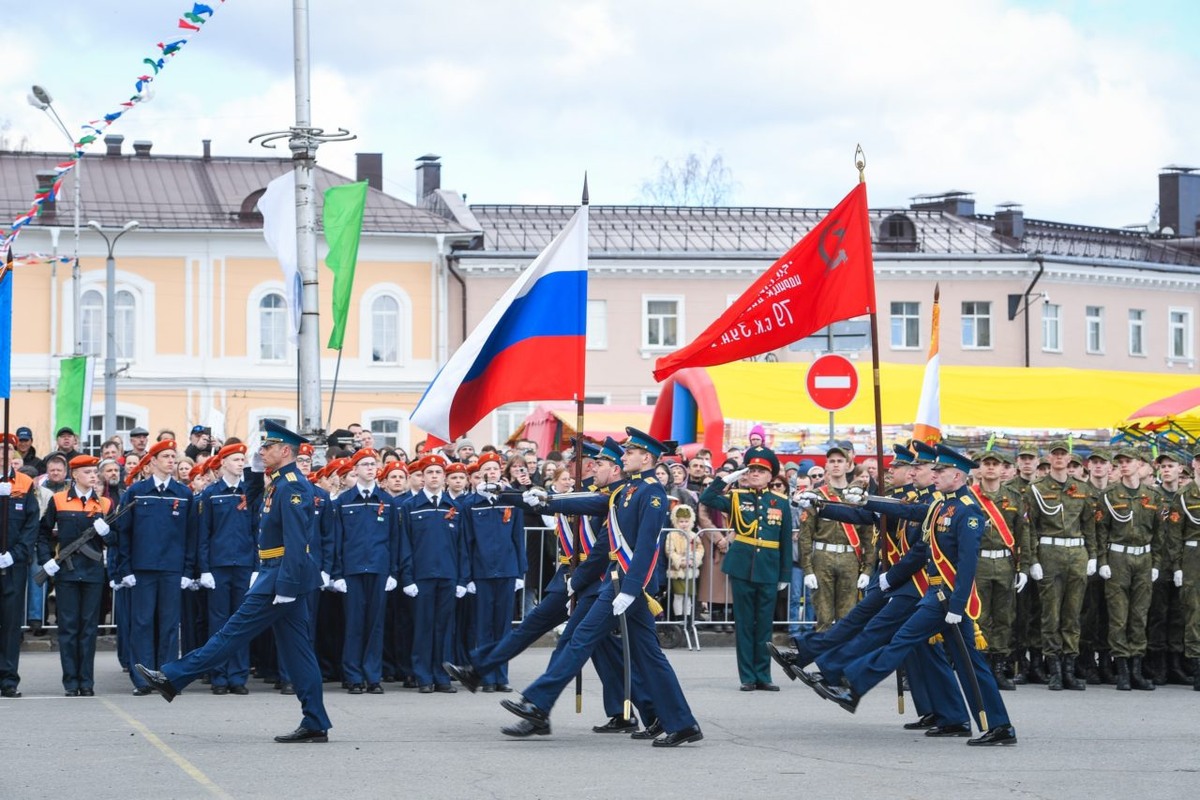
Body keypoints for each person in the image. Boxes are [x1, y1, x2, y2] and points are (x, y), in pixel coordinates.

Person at [502, 427, 703, 747]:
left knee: (581, 639)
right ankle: (680, 722)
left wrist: (630, 590)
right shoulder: (627, 490)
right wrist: (546, 500)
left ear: (646, 457)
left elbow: (647, 547)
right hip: (618, 580)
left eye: (631, 452)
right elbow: (589, 504)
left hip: (626, 583)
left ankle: (536, 701)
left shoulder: (652, 493)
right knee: (649, 656)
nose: (625, 456)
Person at [136, 421, 333, 743]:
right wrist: (255, 472)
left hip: (281, 577)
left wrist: (286, 586)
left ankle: (171, 678)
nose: (261, 451)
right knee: (299, 653)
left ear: (285, 451)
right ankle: (315, 721)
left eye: (267, 448)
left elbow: (298, 541)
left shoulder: (293, 485)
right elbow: (254, 504)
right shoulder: (279, 482)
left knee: (230, 634)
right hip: (277, 573)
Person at [819, 444, 1017, 747]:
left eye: (940, 471)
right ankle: (989, 724)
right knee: (970, 664)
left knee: (902, 639)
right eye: (934, 471)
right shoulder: (941, 505)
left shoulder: (969, 511)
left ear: (958, 476)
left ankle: (853, 685)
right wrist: (869, 499)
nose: (933, 475)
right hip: (936, 594)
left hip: (946, 599)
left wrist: (957, 604)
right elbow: (908, 510)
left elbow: (967, 564)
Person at [700, 445, 792, 690]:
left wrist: (784, 574)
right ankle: (748, 677)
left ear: (771, 476)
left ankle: (764, 675)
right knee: (744, 623)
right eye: (751, 469)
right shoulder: (737, 498)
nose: (754, 474)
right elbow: (706, 499)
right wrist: (726, 479)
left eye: (761, 470)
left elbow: (784, 540)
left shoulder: (781, 503)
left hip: (769, 568)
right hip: (742, 567)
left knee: (764, 625)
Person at [116, 439, 196, 695]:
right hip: (143, 568)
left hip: (172, 569)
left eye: (174, 456)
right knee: (142, 623)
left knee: (170, 624)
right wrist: (125, 569)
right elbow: (124, 534)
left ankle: (167, 677)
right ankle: (142, 679)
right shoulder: (136, 492)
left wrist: (187, 571)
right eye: (166, 457)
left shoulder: (184, 494)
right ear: (152, 462)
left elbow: (191, 535)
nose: (172, 461)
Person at [38, 455, 113, 697]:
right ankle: (71, 682)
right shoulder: (59, 500)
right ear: (75, 475)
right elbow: (42, 532)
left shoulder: (104, 503)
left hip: (92, 573)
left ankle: (87, 681)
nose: (93, 476)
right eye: (88, 472)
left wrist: (108, 532)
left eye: (95, 472)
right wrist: (46, 560)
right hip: (67, 574)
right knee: (69, 628)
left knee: (89, 628)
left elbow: (117, 540)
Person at [1026, 440, 1097, 691]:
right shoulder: (1036, 489)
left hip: (1077, 552)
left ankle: (1069, 668)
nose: (1059, 458)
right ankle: (1054, 669)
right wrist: (1032, 560)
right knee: (1050, 614)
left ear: (1070, 459)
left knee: (1073, 614)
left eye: (1063, 454)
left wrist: (1093, 556)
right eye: (1055, 454)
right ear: (1049, 457)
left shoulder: (1082, 489)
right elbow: (1030, 527)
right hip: (1049, 552)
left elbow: (1089, 526)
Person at [330, 448, 400, 695]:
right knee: (354, 624)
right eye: (365, 464)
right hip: (353, 570)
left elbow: (394, 539)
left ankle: (372, 676)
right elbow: (337, 540)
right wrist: (337, 574)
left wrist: (393, 572)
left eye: (373, 464)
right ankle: (353, 676)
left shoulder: (387, 501)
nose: (371, 468)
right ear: (355, 469)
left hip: (379, 569)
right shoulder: (344, 501)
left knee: (375, 625)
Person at [398, 453, 468, 693]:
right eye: (430, 472)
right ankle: (423, 676)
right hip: (421, 577)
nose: (435, 476)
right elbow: (404, 544)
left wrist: (462, 579)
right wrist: (407, 577)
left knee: (445, 628)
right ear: (422, 477)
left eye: (439, 472)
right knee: (423, 628)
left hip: (448, 576)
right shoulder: (410, 506)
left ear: (444, 477)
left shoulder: (455, 507)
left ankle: (442, 676)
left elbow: (463, 546)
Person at [460, 452, 527, 692]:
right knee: (484, 626)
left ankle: (501, 676)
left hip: (507, 569)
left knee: (503, 627)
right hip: (482, 571)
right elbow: (467, 542)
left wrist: (520, 571)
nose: (491, 473)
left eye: (495, 469)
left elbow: (518, 537)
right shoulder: (471, 504)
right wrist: (467, 577)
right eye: (486, 470)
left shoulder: (511, 500)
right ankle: (486, 676)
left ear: (501, 473)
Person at [1097, 447, 1162, 691]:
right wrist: (1102, 561)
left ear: (1140, 464)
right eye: (1120, 462)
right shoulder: (1110, 495)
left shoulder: (1152, 496)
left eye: (1128, 461)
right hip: (1118, 558)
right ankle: (1122, 669)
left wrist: (1156, 564)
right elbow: (1101, 531)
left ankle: (1137, 669)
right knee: (1118, 615)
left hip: (1143, 558)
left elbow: (1159, 534)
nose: (1124, 465)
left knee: (1139, 615)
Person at [194, 443, 255, 695]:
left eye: (243, 459)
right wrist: (204, 568)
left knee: (241, 622)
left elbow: (257, 531)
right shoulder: (210, 494)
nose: (241, 463)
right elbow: (203, 535)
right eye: (236, 459)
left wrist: (256, 567)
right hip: (218, 566)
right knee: (219, 623)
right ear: (223, 463)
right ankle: (219, 675)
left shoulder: (250, 493)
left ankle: (238, 676)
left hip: (243, 564)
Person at [970, 450, 1031, 690]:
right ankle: (981, 668)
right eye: (987, 464)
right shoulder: (970, 497)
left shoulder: (1014, 497)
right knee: (980, 617)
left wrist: (1023, 566)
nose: (992, 468)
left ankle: (998, 667)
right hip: (979, 563)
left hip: (1005, 563)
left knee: (1005, 617)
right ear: (980, 469)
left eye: (996, 464)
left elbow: (1023, 533)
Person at [798, 445, 874, 631]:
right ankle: (824, 659)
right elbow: (805, 535)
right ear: (826, 466)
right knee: (823, 617)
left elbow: (868, 536)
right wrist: (807, 569)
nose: (836, 465)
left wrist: (868, 569)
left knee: (847, 618)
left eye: (840, 461)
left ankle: (841, 659)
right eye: (832, 461)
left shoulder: (856, 497)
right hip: (822, 557)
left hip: (850, 558)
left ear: (849, 465)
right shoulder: (816, 496)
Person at [0, 436, 39, 697]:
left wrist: (15, 554)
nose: (3, 455)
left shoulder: (24, 484)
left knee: (11, 624)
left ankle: (8, 678)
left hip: (12, 565)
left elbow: (31, 524)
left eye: (7, 451)